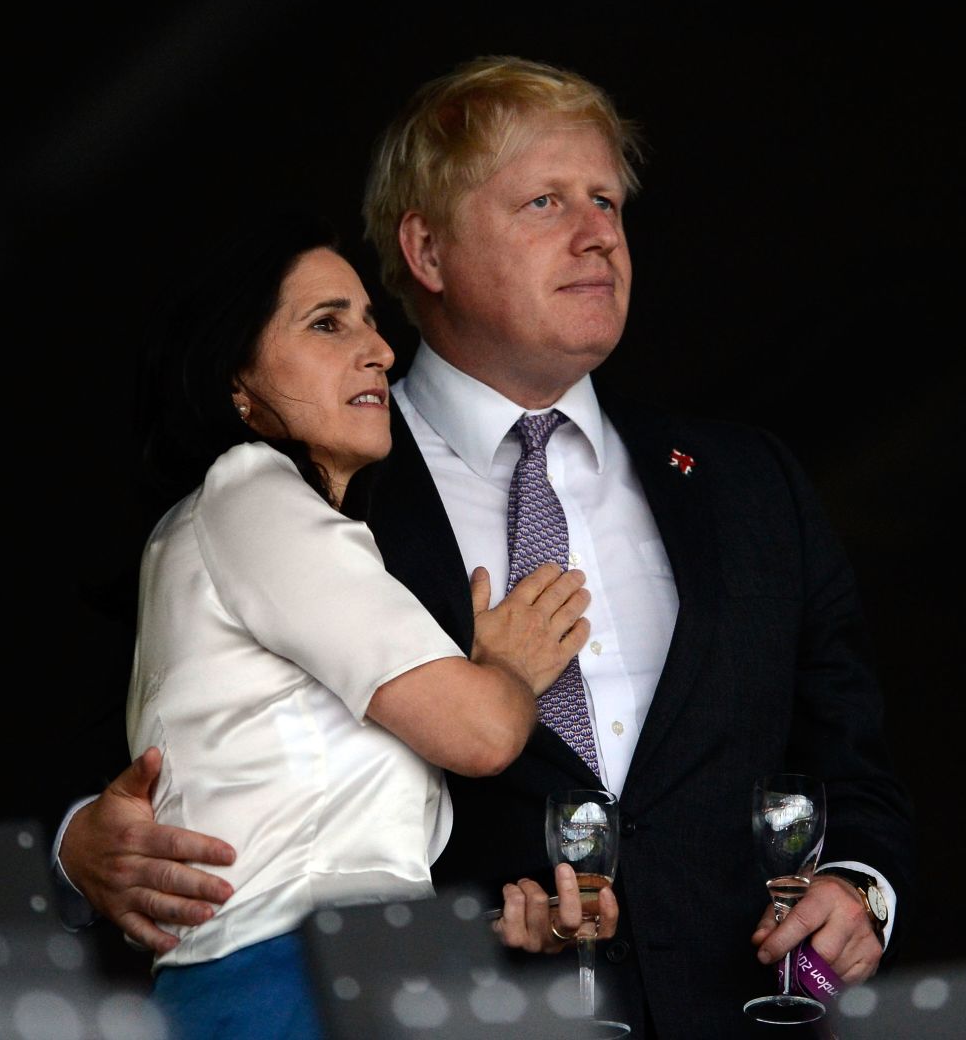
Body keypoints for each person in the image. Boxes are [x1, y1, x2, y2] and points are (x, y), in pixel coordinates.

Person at [59, 58, 915, 1037]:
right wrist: (83, 846)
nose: (598, 233)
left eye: (607, 200)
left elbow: (849, 746)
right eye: (546, 201)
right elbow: (159, 717)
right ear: (424, 249)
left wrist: (859, 887)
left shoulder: (748, 481)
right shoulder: (307, 491)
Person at [116, 211, 604, 1039]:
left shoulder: (280, 532)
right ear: (240, 380)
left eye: (372, 324)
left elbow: (324, 835)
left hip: (357, 968)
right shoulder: (250, 492)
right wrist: (508, 672)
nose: (377, 349)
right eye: (327, 324)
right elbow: (480, 731)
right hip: (284, 981)